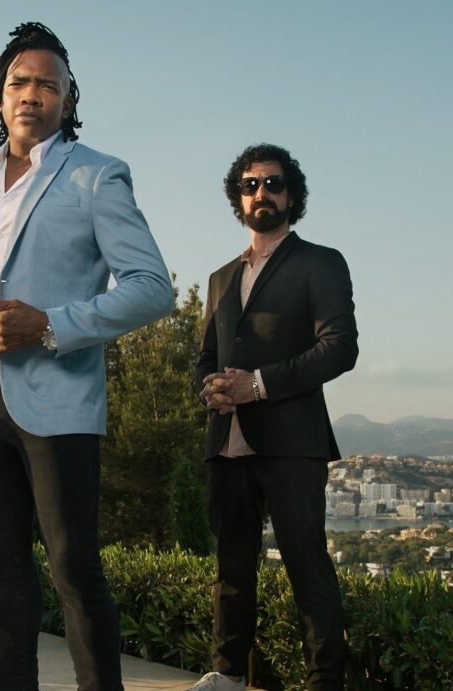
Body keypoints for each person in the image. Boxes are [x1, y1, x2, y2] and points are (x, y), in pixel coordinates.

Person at [0, 22, 173, 691]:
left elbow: (152, 287)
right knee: (3, 569)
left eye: (47, 85)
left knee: (73, 569)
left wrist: (51, 324)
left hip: (59, 399)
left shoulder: (97, 176)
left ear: (67, 99)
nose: (31, 94)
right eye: (19, 82)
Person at [191, 144, 357, 690]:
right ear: (238, 198)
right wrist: (210, 389)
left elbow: (340, 348)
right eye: (250, 184)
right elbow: (206, 358)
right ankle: (227, 677)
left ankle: (323, 683)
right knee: (231, 572)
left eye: (273, 183)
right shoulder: (220, 278)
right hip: (227, 443)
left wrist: (257, 385)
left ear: (292, 194)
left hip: (293, 442)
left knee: (307, 568)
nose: (261, 192)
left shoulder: (320, 262)